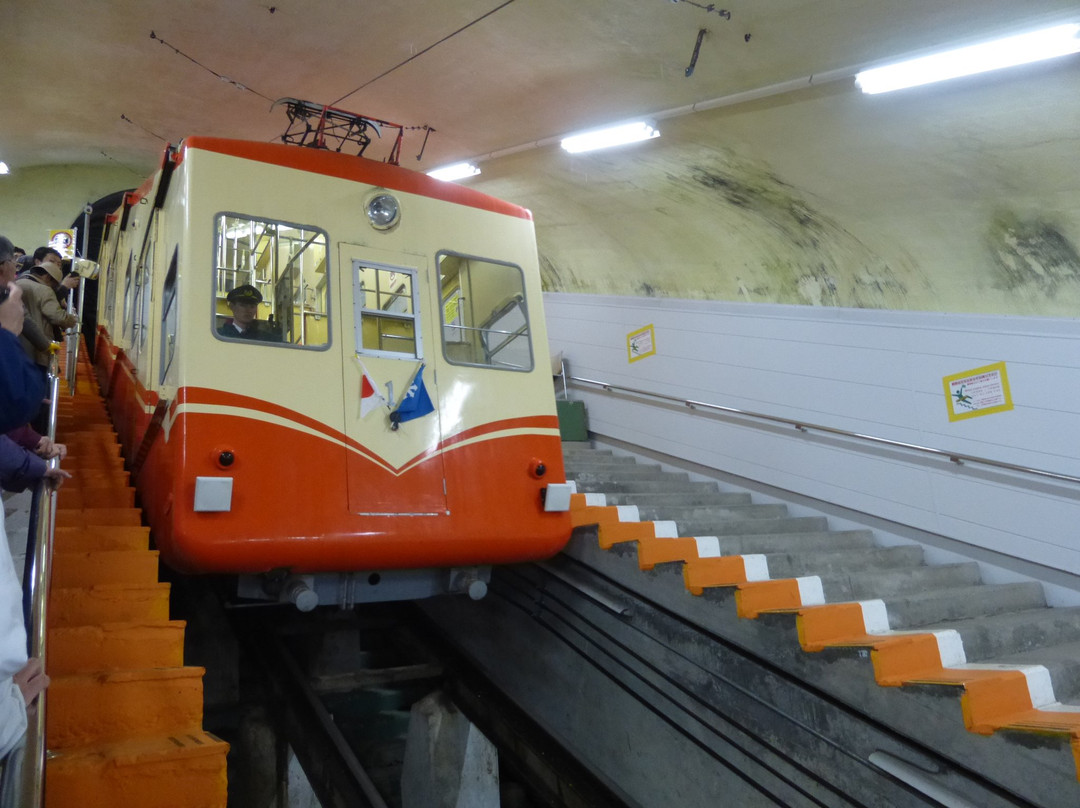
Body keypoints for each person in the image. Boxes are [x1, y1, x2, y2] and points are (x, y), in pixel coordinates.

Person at [16, 260, 77, 367]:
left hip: (15, 344)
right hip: (37, 347)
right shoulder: (44, 290)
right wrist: (72, 320)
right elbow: (57, 317)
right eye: (54, 285)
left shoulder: (16, 283)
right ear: (48, 278)